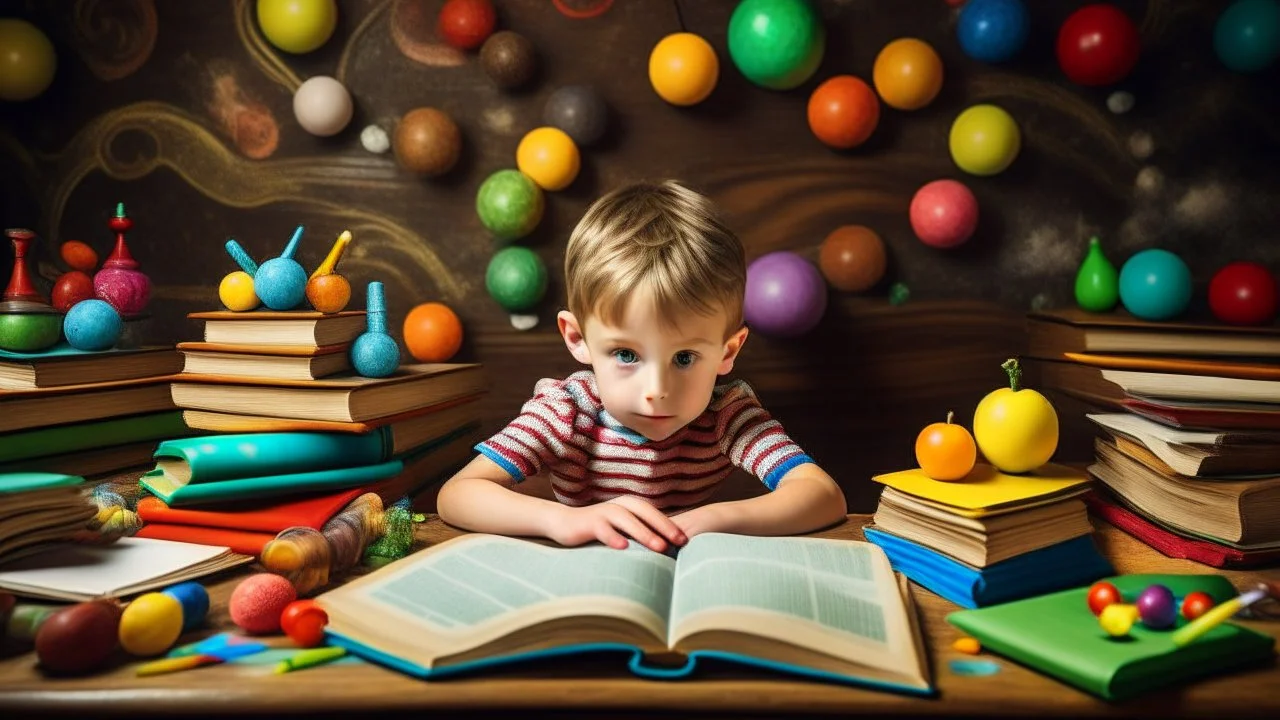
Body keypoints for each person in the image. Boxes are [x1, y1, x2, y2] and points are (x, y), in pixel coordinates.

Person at [436, 180, 846, 553]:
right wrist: (563, 520)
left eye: (684, 358)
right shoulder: (567, 411)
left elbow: (824, 496)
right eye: (627, 355)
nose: (657, 390)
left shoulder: (727, 414)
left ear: (727, 351)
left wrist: (717, 518)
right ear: (578, 338)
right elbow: (457, 494)